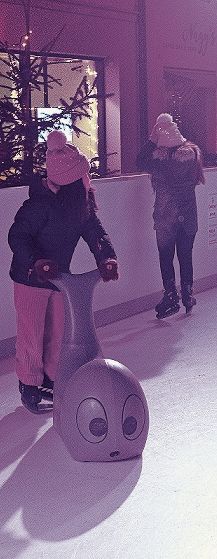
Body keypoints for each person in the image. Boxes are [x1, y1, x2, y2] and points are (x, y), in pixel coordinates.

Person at [8, 130, 118, 414]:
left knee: (58, 331)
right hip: (30, 279)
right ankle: (29, 386)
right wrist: (37, 262)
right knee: (32, 333)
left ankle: (54, 379)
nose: (87, 180)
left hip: (59, 279)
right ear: (70, 182)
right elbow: (17, 237)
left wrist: (107, 258)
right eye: (82, 176)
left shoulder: (80, 206)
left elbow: (95, 231)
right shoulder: (39, 205)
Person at [137, 113, 205, 318]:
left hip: (166, 215)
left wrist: (151, 140)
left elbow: (140, 161)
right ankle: (187, 295)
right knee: (186, 256)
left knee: (166, 258)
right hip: (189, 215)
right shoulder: (192, 154)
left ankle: (171, 296)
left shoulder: (159, 160)